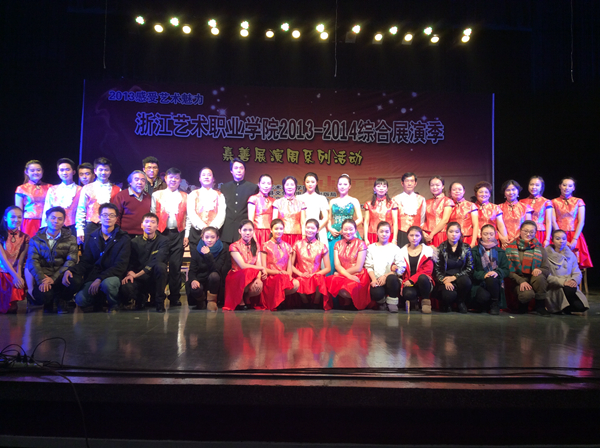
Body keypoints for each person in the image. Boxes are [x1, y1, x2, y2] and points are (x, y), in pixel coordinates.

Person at [64, 203, 131, 313]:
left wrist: (100, 279)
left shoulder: (123, 238)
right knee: (80, 300)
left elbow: (121, 265)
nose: (108, 218)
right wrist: (71, 270)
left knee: (108, 284)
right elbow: (86, 261)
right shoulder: (92, 237)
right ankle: (99, 299)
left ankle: (114, 303)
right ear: (99, 217)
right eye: (105, 215)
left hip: (113, 276)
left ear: (116, 218)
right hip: (94, 276)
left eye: (111, 215)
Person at [26, 207, 79, 314]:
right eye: (53, 218)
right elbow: (32, 261)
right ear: (46, 219)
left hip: (61, 276)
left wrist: (54, 278)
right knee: (44, 295)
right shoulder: (35, 239)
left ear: (64, 221)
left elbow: (71, 261)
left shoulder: (71, 239)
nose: (56, 221)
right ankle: (50, 301)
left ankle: (62, 300)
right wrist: (42, 279)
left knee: (75, 281)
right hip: (44, 277)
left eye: (60, 219)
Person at [151, 167, 190, 307]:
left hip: (178, 234)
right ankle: (157, 297)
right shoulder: (157, 195)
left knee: (175, 266)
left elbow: (188, 217)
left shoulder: (185, 196)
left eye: (176, 178)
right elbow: (152, 214)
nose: (173, 180)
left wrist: (186, 235)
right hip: (161, 233)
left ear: (180, 180)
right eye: (171, 177)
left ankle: (174, 297)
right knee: (159, 265)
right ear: (166, 179)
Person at [119, 213, 169, 312]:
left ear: (157, 226)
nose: (149, 225)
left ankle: (159, 302)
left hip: (154, 277)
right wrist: (130, 272)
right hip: (139, 279)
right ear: (142, 225)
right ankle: (140, 298)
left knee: (161, 266)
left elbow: (158, 259)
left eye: (152, 222)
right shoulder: (134, 242)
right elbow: (130, 261)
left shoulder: (163, 241)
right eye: (146, 222)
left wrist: (137, 274)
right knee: (126, 287)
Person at [505, 220, 551, 316]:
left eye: (531, 232)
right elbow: (507, 270)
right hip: (518, 280)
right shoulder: (510, 247)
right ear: (520, 231)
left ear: (535, 233)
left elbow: (547, 269)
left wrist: (540, 270)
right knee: (526, 295)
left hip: (534, 280)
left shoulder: (540, 248)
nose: (528, 234)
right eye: (525, 231)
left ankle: (540, 307)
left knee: (540, 277)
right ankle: (522, 306)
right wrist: (521, 281)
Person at [325, 219, 370, 310]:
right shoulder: (338, 244)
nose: (348, 232)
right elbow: (337, 265)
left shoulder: (361, 244)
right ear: (342, 230)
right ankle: (346, 302)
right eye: (345, 229)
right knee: (328, 281)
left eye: (351, 229)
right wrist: (347, 275)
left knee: (350, 287)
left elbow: (358, 267)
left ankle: (353, 302)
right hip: (344, 274)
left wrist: (341, 274)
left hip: (358, 274)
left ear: (355, 230)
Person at [75, 157, 121, 245]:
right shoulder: (87, 188)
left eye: (106, 170)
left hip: (111, 226)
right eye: (100, 170)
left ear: (110, 171)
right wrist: (80, 230)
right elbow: (81, 210)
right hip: (91, 226)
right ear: (95, 171)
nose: (103, 172)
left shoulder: (117, 190)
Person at [222, 220, 265, 311]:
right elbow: (243, 266)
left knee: (259, 285)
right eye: (245, 230)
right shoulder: (234, 246)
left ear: (253, 231)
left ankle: (246, 297)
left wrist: (258, 278)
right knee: (246, 271)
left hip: (251, 275)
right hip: (236, 276)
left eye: (250, 230)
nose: (247, 233)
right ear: (239, 231)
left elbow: (258, 264)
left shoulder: (256, 245)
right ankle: (240, 299)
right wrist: (262, 268)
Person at [551, 177, 593, 268]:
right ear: (560, 186)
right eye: (564, 185)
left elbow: (581, 221)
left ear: (573, 188)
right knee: (558, 264)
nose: (567, 188)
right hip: (559, 234)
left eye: (570, 186)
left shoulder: (579, 201)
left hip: (575, 235)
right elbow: (553, 221)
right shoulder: (553, 202)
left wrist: (574, 240)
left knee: (574, 264)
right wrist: (561, 237)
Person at [545, 229, 589, 314]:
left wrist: (574, 280)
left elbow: (577, 272)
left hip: (569, 285)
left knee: (581, 307)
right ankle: (561, 306)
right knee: (567, 290)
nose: (561, 241)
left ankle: (567, 305)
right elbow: (546, 276)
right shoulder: (546, 255)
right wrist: (563, 282)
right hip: (555, 287)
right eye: (558, 239)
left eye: (564, 239)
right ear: (552, 240)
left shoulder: (571, 255)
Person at [186, 226, 229, 312]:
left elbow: (216, 269)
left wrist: (208, 255)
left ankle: (212, 301)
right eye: (207, 237)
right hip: (200, 279)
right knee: (195, 288)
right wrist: (193, 280)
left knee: (214, 276)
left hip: (214, 282)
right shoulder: (196, 250)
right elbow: (192, 270)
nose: (209, 240)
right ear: (202, 237)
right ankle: (201, 301)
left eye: (212, 237)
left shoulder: (222, 249)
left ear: (217, 238)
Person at [326, 174, 363, 275]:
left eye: (345, 184)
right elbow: (328, 218)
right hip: (335, 233)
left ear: (349, 186)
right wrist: (330, 228)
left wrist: (347, 228)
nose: (342, 186)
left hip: (349, 233)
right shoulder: (332, 201)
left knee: (350, 260)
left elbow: (360, 218)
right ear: (337, 185)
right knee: (332, 260)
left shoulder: (354, 200)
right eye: (340, 184)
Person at [365, 221, 405, 312]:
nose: (384, 234)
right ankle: (382, 302)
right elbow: (368, 266)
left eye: (387, 232)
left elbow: (401, 267)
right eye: (381, 231)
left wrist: (386, 276)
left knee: (392, 279)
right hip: (377, 279)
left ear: (390, 233)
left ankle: (392, 303)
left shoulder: (395, 248)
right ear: (377, 232)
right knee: (376, 293)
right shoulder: (371, 248)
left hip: (391, 280)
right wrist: (374, 279)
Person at [434, 222, 473, 313]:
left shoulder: (466, 248)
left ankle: (460, 302)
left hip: (460, 278)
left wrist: (455, 277)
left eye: (456, 232)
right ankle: (447, 304)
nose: (454, 234)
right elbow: (437, 270)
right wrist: (444, 281)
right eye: (451, 232)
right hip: (446, 279)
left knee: (466, 281)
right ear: (446, 233)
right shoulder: (441, 248)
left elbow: (470, 268)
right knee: (448, 296)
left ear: (460, 234)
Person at [260, 219, 299, 311]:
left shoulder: (287, 246)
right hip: (271, 277)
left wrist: (288, 276)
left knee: (296, 283)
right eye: (276, 229)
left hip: (283, 277)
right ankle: (277, 302)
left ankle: (279, 300)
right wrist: (278, 272)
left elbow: (289, 267)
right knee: (279, 279)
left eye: (281, 229)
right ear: (271, 230)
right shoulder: (265, 246)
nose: (279, 231)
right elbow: (263, 267)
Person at [291, 219, 331, 309]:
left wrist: (314, 274)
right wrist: (301, 274)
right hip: (301, 275)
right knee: (298, 280)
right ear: (304, 228)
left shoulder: (322, 246)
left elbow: (328, 268)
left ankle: (316, 301)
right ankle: (304, 301)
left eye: (313, 228)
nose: (310, 230)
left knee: (319, 279)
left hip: (316, 275)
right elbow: (290, 265)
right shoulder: (297, 244)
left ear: (317, 230)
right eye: (308, 227)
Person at [470, 224, 510, 315]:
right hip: (479, 283)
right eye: (485, 234)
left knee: (492, 277)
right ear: (481, 235)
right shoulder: (474, 251)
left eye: (491, 234)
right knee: (483, 297)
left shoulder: (500, 252)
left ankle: (495, 304)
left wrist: (497, 273)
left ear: (495, 235)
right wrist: (483, 275)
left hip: (495, 283)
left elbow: (506, 270)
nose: (488, 237)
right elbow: (471, 271)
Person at [187, 167, 226, 253]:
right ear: (199, 179)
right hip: (197, 234)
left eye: (209, 175)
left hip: (214, 234)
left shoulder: (220, 195)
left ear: (213, 179)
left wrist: (212, 229)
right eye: (203, 175)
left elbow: (221, 214)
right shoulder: (193, 194)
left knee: (213, 259)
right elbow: (191, 213)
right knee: (196, 259)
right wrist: (203, 227)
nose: (206, 177)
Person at [220, 158, 258, 244]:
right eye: (236, 168)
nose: (239, 170)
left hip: (243, 229)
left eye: (241, 168)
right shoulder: (224, 187)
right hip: (227, 229)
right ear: (231, 171)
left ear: (245, 170)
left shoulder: (253, 187)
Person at [398, 226, 435, 314]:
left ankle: (426, 302)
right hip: (408, 282)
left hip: (424, 282)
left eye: (417, 235)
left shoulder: (428, 251)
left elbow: (427, 270)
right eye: (411, 235)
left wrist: (412, 280)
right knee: (408, 294)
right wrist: (394, 267)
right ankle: (414, 301)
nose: (414, 238)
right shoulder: (401, 251)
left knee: (422, 277)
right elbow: (399, 266)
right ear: (407, 236)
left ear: (421, 236)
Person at [41, 158, 82, 236]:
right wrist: (44, 227)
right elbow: (47, 209)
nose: (64, 173)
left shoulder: (80, 190)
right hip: (54, 226)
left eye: (67, 170)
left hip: (73, 227)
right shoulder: (52, 189)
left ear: (73, 172)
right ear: (58, 172)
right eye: (62, 170)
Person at [0, 206, 29, 314]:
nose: (16, 220)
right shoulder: (1, 235)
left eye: (19, 217)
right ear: (6, 218)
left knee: (12, 308)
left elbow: (21, 259)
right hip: (2, 271)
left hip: (15, 271)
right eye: (12, 217)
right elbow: (3, 259)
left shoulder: (25, 237)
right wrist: (15, 276)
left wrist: (19, 276)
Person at [15, 160, 50, 238]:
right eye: (32, 170)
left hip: (46, 222)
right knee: (29, 244)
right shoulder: (21, 188)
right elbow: (18, 211)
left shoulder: (50, 187)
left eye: (38, 170)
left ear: (42, 171)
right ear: (26, 172)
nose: (36, 172)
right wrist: (17, 227)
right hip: (28, 222)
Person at [112, 170, 151, 238]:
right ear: (130, 182)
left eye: (143, 180)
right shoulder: (121, 196)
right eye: (136, 179)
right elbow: (116, 216)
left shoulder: (148, 196)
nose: (140, 182)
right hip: (125, 235)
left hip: (144, 235)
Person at [392, 172, 426, 248]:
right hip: (401, 233)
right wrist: (395, 239)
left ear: (415, 183)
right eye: (407, 181)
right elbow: (394, 221)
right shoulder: (395, 199)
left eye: (412, 181)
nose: (409, 183)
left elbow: (422, 219)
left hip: (417, 234)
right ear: (402, 183)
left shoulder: (421, 199)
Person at [520, 176, 553, 247]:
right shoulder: (522, 202)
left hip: (540, 233)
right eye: (531, 184)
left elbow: (549, 222)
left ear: (541, 187)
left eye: (537, 185)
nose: (533, 187)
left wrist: (547, 239)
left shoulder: (546, 202)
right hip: (525, 233)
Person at [273, 175, 306, 246]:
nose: (289, 187)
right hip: (281, 235)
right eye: (287, 184)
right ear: (283, 186)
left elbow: (303, 222)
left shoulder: (301, 203)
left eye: (292, 184)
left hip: (297, 236)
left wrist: (304, 236)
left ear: (295, 187)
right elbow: (274, 221)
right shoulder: (277, 202)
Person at [498, 180, 533, 247]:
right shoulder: (498, 208)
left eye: (513, 190)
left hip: (521, 241)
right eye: (508, 190)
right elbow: (494, 226)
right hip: (504, 242)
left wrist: (516, 238)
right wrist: (502, 238)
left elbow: (528, 226)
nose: (511, 192)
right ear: (504, 193)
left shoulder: (526, 207)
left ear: (518, 191)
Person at [473, 181, 508, 246]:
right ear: (475, 194)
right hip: (476, 240)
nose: (483, 194)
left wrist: (504, 239)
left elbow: (501, 225)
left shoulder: (495, 208)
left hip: (492, 239)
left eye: (486, 192)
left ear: (489, 194)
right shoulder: (471, 207)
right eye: (481, 192)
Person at [363, 178, 397, 244]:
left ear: (387, 189)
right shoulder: (369, 204)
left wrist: (394, 239)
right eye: (378, 186)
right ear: (374, 189)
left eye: (384, 186)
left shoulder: (392, 204)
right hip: (372, 234)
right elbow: (366, 222)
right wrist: (366, 238)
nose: (381, 188)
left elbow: (395, 222)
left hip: (388, 234)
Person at [298, 172, 329, 243]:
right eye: (307, 182)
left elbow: (326, 217)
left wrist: (316, 230)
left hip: (319, 228)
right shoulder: (299, 198)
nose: (310, 184)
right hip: (304, 229)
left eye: (312, 182)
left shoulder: (322, 198)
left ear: (317, 183)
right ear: (304, 183)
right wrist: (305, 231)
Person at [423, 176, 454, 247]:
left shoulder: (447, 201)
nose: (434, 187)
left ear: (442, 186)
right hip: (427, 235)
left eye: (437, 185)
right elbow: (422, 220)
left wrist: (432, 234)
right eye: (432, 185)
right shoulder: (427, 202)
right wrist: (423, 233)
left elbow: (445, 220)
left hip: (441, 234)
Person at [247, 174, 275, 248]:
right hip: (257, 231)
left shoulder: (273, 201)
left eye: (268, 183)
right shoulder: (253, 198)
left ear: (271, 185)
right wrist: (252, 232)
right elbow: (250, 219)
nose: (266, 186)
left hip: (270, 233)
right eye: (263, 183)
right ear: (258, 185)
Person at [448, 182, 479, 248]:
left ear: (464, 191)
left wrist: (473, 242)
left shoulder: (471, 205)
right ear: (450, 192)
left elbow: (475, 225)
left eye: (460, 189)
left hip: (467, 238)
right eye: (454, 189)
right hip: (451, 239)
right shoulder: (448, 205)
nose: (457, 191)